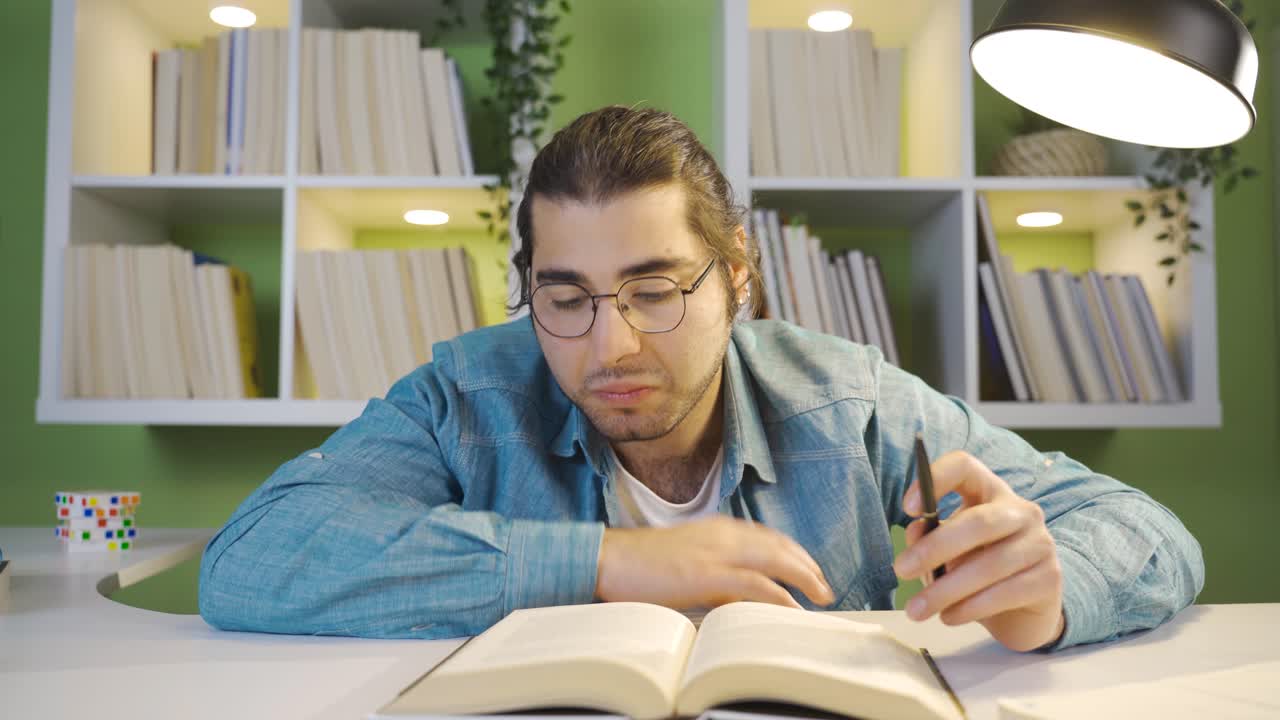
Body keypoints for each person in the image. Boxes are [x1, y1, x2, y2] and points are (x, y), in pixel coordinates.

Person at [198, 106, 1203, 652]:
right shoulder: (463, 395)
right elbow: (251, 557)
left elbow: (1146, 529)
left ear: (736, 282)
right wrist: (606, 564)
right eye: (567, 297)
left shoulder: (847, 398)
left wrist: (1048, 594)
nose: (612, 346)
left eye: (653, 289)